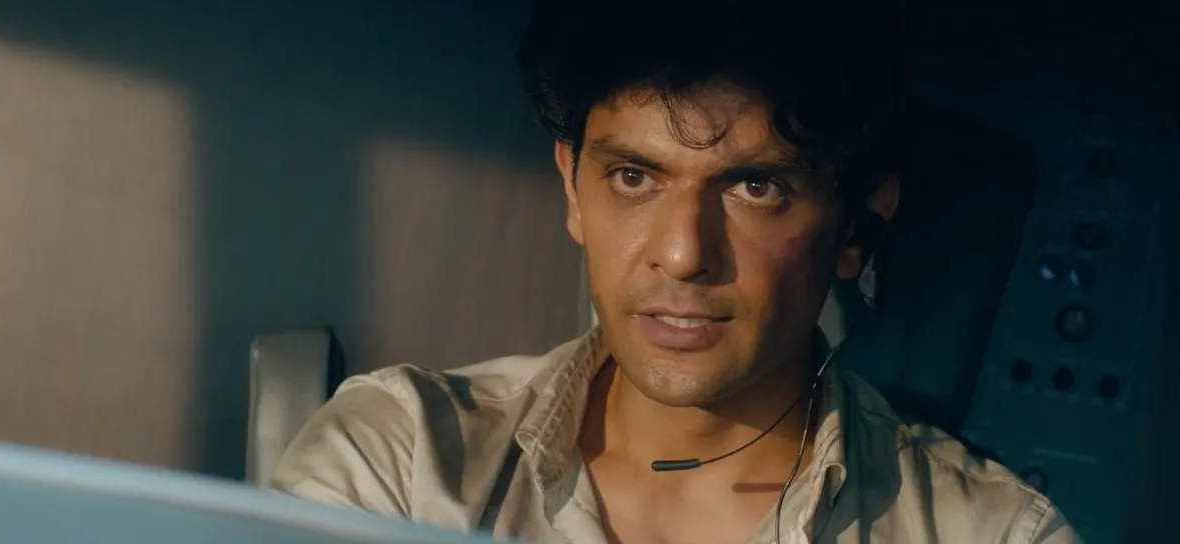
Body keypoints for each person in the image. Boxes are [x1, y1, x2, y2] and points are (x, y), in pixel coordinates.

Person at [270, 1, 1081, 542]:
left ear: (857, 224)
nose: (684, 253)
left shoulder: (993, 535)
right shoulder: (398, 464)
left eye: (756, 188)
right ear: (573, 190)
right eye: (634, 177)